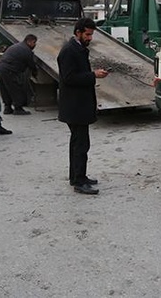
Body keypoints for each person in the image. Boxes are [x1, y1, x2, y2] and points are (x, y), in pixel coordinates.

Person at [57, 18, 109, 195]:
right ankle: (79, 182)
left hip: (78, 106)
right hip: (74, 107)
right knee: (80, 145)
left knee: (78, 143)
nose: (90, 38)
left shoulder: (78, 49)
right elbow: (69, 78)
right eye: (87, 34)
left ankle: (78, 176)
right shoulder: (69, 51)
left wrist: (91, 74)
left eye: (91, 34)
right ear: (78, 32)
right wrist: (93, 75)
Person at [0, 34, 38, 115]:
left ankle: (7, 107)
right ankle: (18, 108)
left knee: (5, 88)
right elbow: (32, 65)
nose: (35, 45)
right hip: (10, 70)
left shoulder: (17, 46)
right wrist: (35, 73)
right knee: (16, 88)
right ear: (29, 41)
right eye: (34, 42)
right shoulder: (26, 50)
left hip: (0, 67)